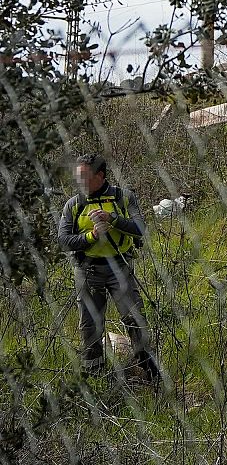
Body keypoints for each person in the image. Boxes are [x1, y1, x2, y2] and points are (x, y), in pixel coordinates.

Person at [57, 154, 160, 386]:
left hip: (120, 268)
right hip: (88, 271)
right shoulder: (74, 204)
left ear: (100, 176)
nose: (78, 181)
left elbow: (140, 228)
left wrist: (112, 219)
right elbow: (63, 240)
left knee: (134, 317)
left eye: (83, 176)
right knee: (90, 325)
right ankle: (96, 376)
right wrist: (92, 236)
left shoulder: (124, 198)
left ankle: (148, 368)